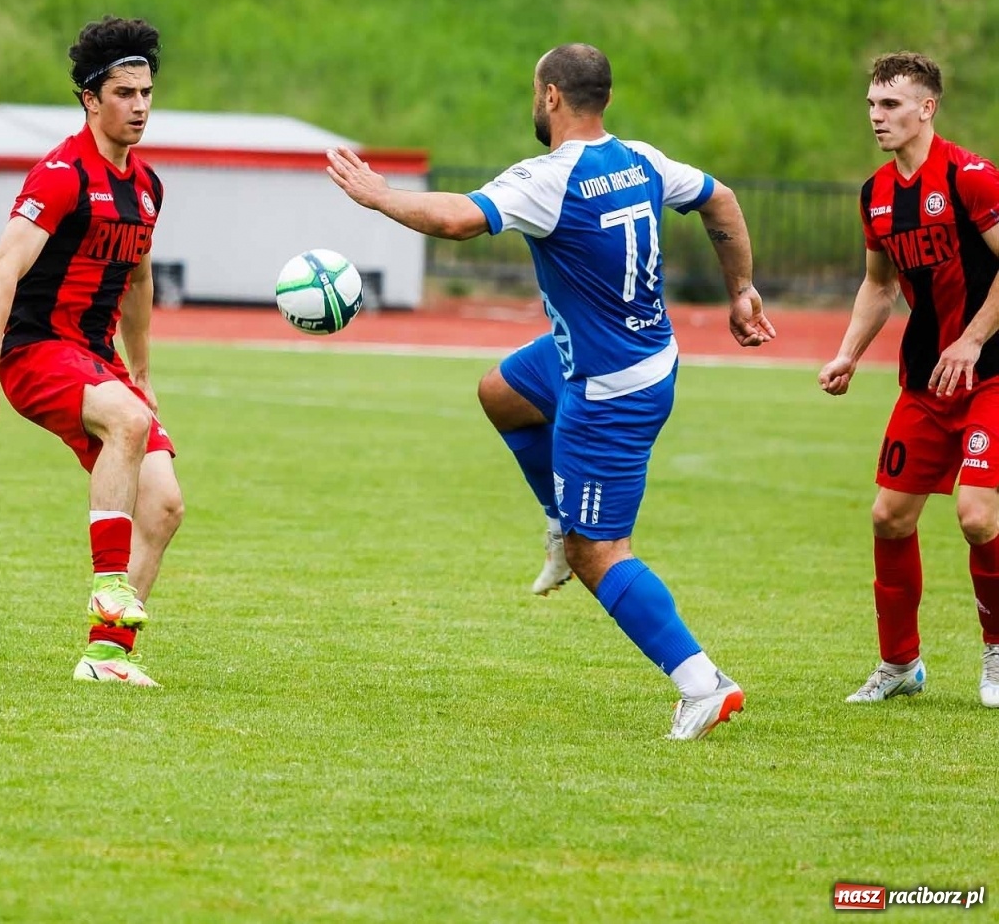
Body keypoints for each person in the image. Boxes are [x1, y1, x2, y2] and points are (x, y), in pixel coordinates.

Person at [327, 42, 776, 739]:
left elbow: (458, 220)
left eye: (535, 91)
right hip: (620, 356)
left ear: (552, 98)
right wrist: (742, 288)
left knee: (601, 553)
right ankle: (558, 518)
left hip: (609, 390)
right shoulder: (644, 161)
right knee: (500, 391)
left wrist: (377, 195)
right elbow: (720, 198)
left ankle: (702, 682)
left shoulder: (549, 177)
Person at [0, 16, 183, 687]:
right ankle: (109, 582)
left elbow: (139, 276)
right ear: (90, 98)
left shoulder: (147, 187)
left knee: (166, 503)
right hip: (35, 352)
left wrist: (140, 369)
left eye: (146, 92)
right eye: (124, 93)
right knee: (127, 421)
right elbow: (2, 270)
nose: (139, 106)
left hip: (95, 359)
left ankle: (107, 654)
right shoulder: (59, 175)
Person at [818, 51, 999, 709]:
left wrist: (974, 338)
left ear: (927, 108)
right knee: (889, 516)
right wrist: (847, 352)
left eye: (890, 104)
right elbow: (878, 283)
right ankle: (899, 662)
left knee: (978, 516)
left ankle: (997, 651)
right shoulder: (875, 194)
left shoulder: (971, 177)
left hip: (991, 375)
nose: (876, 115)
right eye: (870, 104)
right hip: (925, 383)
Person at [477, 334, 574, 594]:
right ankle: (560, 532)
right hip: (577, 332)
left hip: (619, 342)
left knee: (598, 553)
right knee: (500, 393)